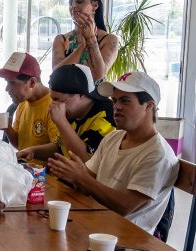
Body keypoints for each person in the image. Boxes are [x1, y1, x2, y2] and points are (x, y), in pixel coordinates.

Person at [47, 72, 178, 235]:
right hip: (96, 226)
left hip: (127, 242)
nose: (116, 107)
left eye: (125, 101)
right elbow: (88, 180)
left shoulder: (157, 154)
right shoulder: (113, 138)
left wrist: (81, 177)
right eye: (114, 101)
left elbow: (125, 207)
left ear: (149, 106)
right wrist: (71, 175)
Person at [17, 64, 115, 163]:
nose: (52, 105)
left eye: (57, 99)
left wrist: (61, 122)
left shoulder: (106, 116)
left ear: (80, 95)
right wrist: (33, 151)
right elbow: (60, 147)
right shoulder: (73, 112)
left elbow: (88, 161)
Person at [0, 52, 58, 152]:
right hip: (24, 166)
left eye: (12, 82)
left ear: (32, 82)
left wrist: (32, 152)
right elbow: (20, 145)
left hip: (45, 168)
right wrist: (8, 129)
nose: (7, 89)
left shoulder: (54, 106)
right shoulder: (22, 104)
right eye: (7, 82)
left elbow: (58, 148)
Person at [52, 0, 119, 84]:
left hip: (95, 98)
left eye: (79, 1)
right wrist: (81, 47)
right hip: (65, 97)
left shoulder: (109, 39)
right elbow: (57, 74)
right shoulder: (61, 39)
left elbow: (99, 74)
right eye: (70, 2)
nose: (73, 6)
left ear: (95, 5)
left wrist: (91, 38)